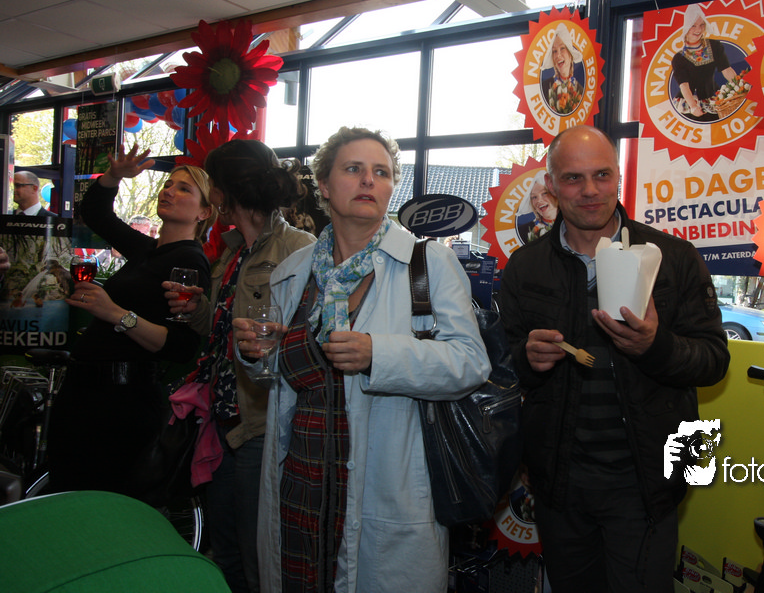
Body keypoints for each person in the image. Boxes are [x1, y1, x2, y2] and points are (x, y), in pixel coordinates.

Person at [232, 126, 490, 592]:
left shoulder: (427, 264)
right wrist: (256, 354)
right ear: (324, 185)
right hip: (302, 484)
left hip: (386, 487)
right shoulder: (293, 272)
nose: (369, 180)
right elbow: (281, 378)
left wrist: (378, 354)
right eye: (353, 169)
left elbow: (470, 362)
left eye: (381, 172)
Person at [497, 125, 729, 592]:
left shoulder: (672, 258)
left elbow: (713, 361)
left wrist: (655, 347)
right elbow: (502, 370)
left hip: (646, 484)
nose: (590, 190)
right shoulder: (525, 267)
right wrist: (525, 359)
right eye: (573, 178)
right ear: (551, 185)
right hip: (559, 486)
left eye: (602, 175)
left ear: (618, 177)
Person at [170, 139, 316, 593]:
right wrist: (197, 308)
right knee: (226, 549)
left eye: (213, 184)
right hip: (224, 421)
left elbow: (309, 338)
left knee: (260, 557)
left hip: (263, 424)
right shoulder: (233, 252)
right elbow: (219, 335)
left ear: (226, 190)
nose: (211, 194)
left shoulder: (297, 248)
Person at [47, 145, 214, 495]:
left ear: (204, 212)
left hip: (121, 402)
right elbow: (95, 213)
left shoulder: (188, 262)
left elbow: (182, 346)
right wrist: (114, 176)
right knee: (67, 496)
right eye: (168, 184)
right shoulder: (147, 250)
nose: (169, 191)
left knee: (102, 503)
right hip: (85, 393)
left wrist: (116, 314)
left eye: (184, 188)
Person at [671, 4, 739, 122]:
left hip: (712, 100)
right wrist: (693, 106)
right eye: (693, 25)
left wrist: (740, 87)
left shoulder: (714, 46)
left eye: (702, 25)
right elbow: (684, 86)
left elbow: (726, 70)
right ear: (687, 27)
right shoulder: (679, 58)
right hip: (690, 104)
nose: (698, 30)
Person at [541, 23, 585, 115]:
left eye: (562, 48)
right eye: (554, 51)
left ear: (570, 54)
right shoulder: (544, 87)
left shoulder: (581, 90)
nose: (558, 55)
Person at [515, 171, 558, 244]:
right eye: (534, 197)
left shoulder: (575, 225)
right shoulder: (523, 231)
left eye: (544, 193)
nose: (539, 200)